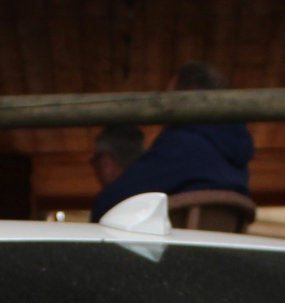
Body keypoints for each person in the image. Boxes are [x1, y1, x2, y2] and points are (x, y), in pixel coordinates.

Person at [88, 61, 253, 222]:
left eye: (169, 97)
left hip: (177, 247)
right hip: (219, 246)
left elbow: (110, 204)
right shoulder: (237, 161)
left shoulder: (183, 144)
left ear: (186, 97)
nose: (166, 109)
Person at [88, 124, 145, 191]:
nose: (96, 169)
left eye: (97, 159)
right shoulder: (153, 189)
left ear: (107, 159)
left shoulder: (110, 198)